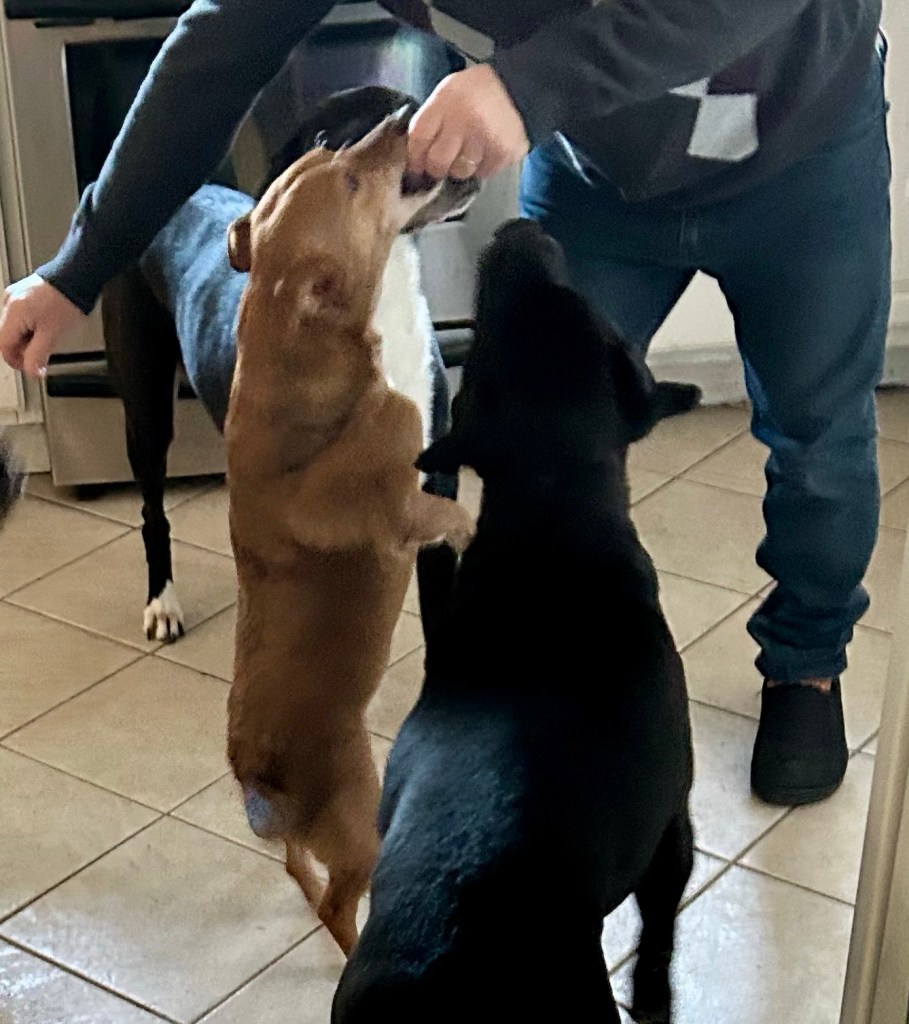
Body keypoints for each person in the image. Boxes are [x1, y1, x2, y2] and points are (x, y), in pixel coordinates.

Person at [0, 0, 889, 806]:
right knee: (524, 451)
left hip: (803, 155)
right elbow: (209, 59)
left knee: (816, 439)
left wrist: (526, 83)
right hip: (597, 181)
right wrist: (79, 268)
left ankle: (804, 668)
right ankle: (539, 689)